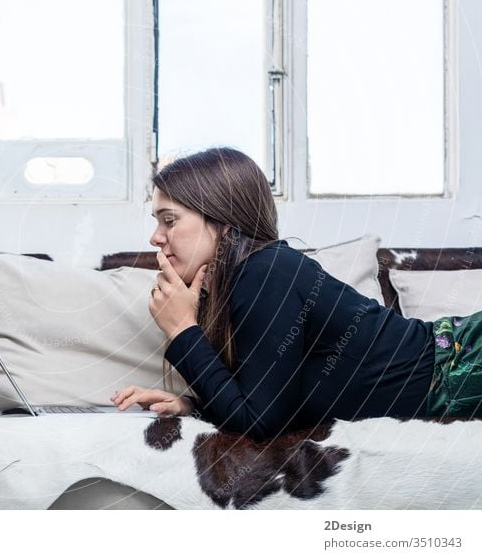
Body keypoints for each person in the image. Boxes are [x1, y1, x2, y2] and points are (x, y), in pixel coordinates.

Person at [110, 146, 482, 441]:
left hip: (462, 361)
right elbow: (266, 401)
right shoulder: (242, 282)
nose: (156, 238)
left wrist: (182, 332)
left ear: (223, 221)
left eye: (169, 220)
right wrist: (193, 405)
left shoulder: (267, 270)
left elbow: (260, 423)